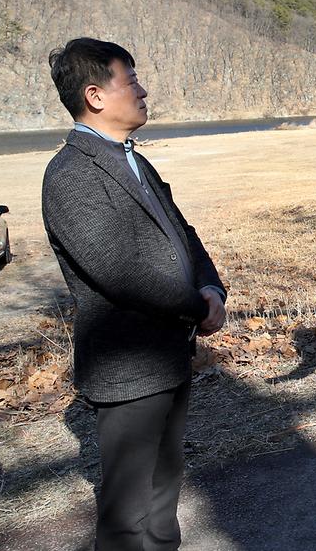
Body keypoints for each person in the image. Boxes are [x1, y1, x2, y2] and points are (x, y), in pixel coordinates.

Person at [43, 38, 227, 549]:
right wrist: (196, 307)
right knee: (127, 513)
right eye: (132, 81)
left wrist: (210, 286)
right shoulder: (72, 175)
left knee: (165, 490)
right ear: (95, 96)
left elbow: (183, 233)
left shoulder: (135, 162)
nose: (143, 91)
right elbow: (120, 271)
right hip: (126, 367)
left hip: (167, 354)